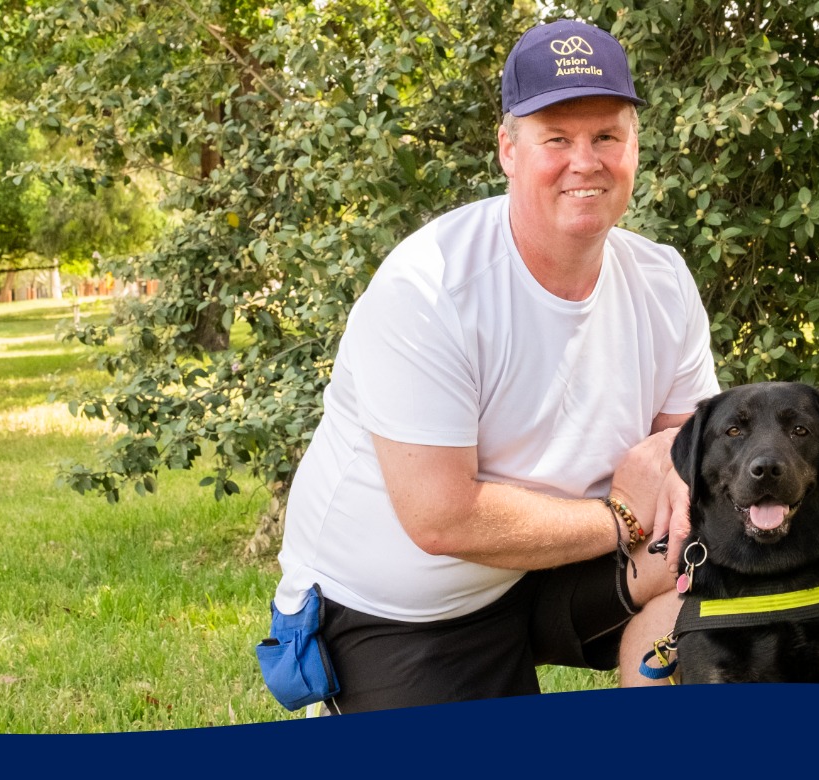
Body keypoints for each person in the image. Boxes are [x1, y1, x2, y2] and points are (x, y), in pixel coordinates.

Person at [269, 19, 720, 713]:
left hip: (556, 567)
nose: (585, 160)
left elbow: (692, 466)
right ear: (509, 149)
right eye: (556, 140)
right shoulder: (430, 289)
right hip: (406, 607)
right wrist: (625, 516)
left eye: (606, 136)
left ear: (634, 147)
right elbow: (442, 518)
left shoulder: (661, 281)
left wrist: (670, 482)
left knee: (719, 566)